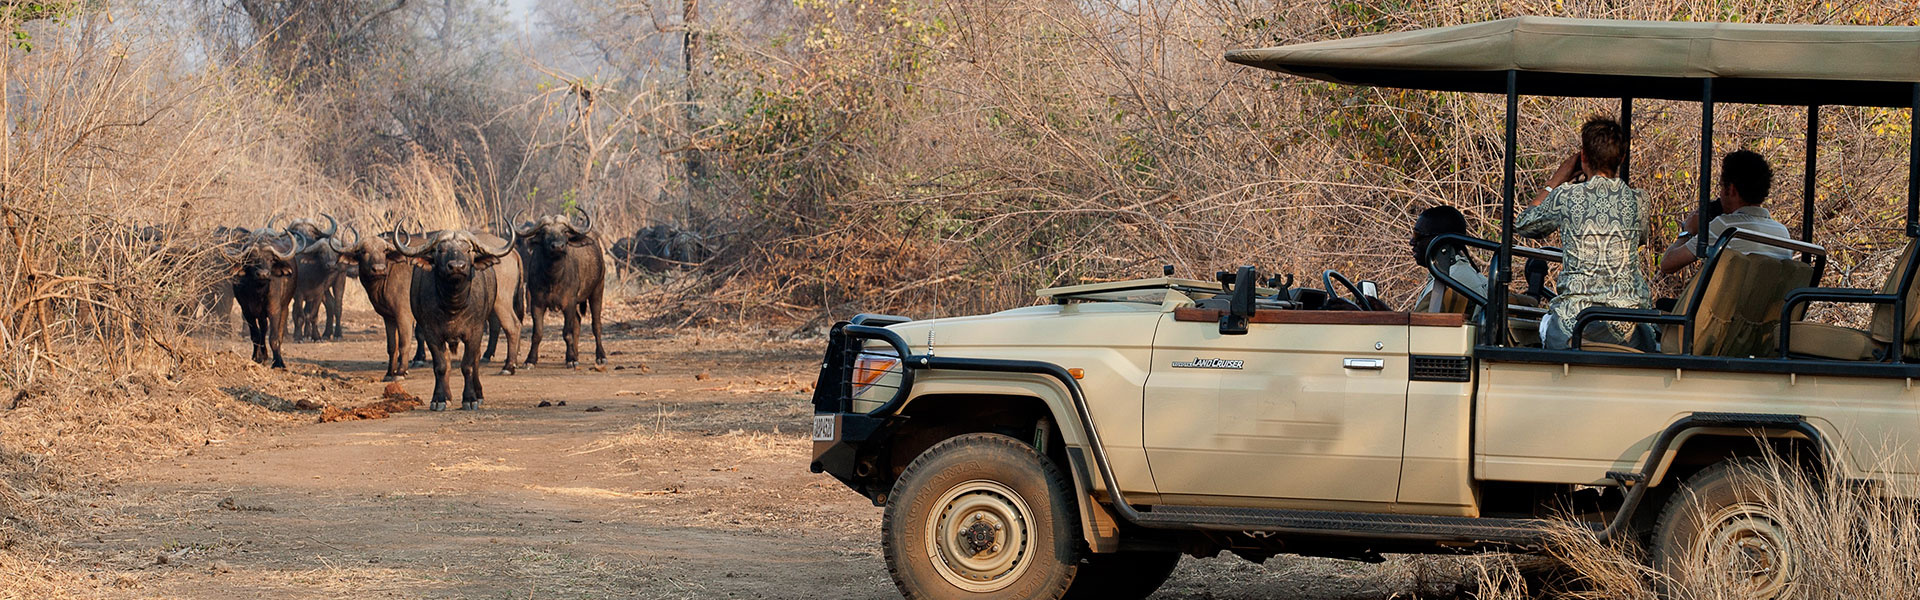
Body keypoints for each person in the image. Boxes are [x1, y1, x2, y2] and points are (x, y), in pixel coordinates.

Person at [1515, 116, 1654, 350]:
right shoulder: (1639, 200)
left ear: (1583, 157)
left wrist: (1557, 180)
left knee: (1546, 322)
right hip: (1630, 329)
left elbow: (1524, 224)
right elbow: (1640, 238)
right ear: (1622, 158)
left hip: (1574, 326)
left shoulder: (1566, 196)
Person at [1657, 150, 1793, 275]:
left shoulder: (1725, 227)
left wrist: (1688, 232)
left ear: (1732, 190)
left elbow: (1667, 265)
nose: (1720, 194)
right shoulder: (1782, 234)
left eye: (1721, 186)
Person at [1410, 206, 1488, 313]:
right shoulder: (1453, 274)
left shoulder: (1450, 282)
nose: (1412, 242)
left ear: (1441, 241)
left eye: (1418, 236)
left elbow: (1422, 327)